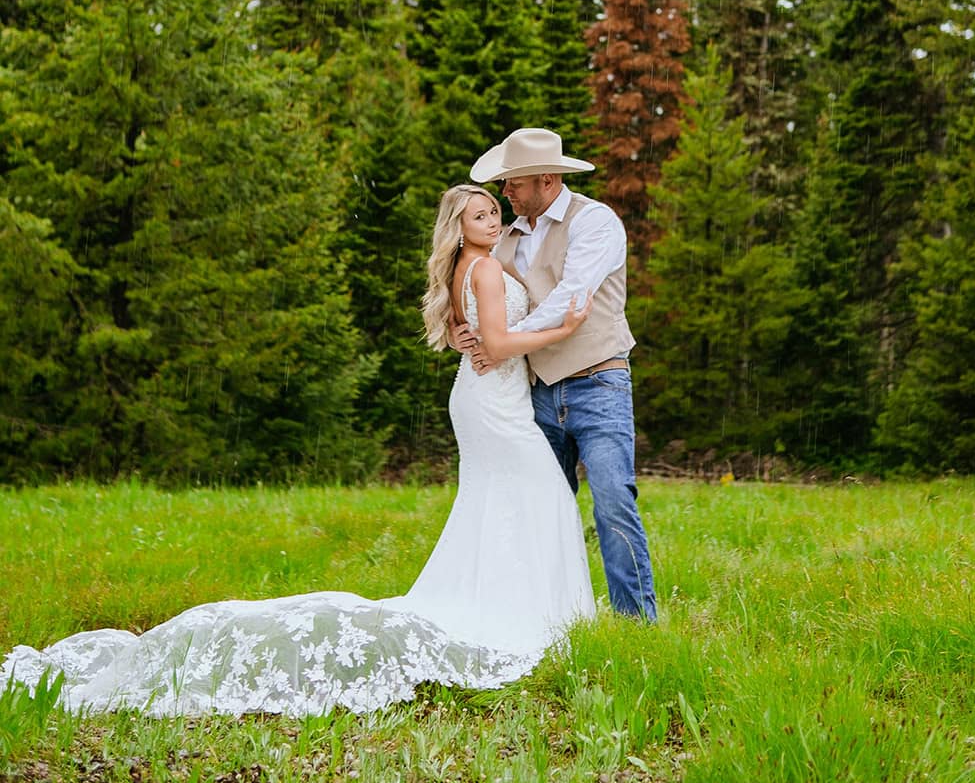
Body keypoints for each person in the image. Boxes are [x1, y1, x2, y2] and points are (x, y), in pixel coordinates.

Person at [0, 185, 596, 717]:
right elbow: (496, 340)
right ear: (458, 226)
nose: (492, 221)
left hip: (483, 397)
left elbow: (476, 337)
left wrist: (501, 337)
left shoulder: (469, 266)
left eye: (494, 211)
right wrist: (562, 330)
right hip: (493, 402)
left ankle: (500, 601)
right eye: (479, 215)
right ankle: (526, 616)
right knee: (540, 495)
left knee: (500, 502)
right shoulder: (487, 269)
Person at [457, 127, 657, 622]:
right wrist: (461, 331)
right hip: (536, 393)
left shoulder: (596, 222)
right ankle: (547, 618)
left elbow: (573, 299)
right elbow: (467, 290)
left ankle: (637, 624)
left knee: (612, 502)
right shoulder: (502, 240)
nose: (504, 194)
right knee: (541, 506)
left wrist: (500, 342)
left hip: (599, 382)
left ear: (546, 179)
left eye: (513, 184)